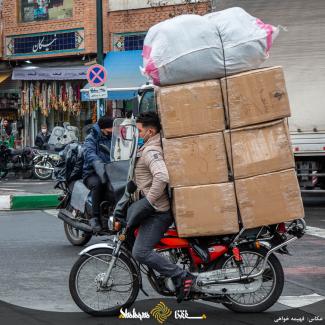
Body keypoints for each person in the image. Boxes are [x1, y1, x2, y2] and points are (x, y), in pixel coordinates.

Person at [127, 111, 196, 303]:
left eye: (140, 130)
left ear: (150, 131)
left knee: (140, 252)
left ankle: (182, 276)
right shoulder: (149, 146)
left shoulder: (151, 151)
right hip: (154, 210)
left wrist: (148, 201)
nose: (138, 134)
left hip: (158, 212)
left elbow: (162, 176)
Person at [83, 116, 113, 232]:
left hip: (111, 170)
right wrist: (97, 162)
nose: (111, 131)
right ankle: (94, 217)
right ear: (102, 128)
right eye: (109, 129)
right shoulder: (91, 138)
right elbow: (89, 153)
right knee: (99, 184)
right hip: (92, 172)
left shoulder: (113, 137)